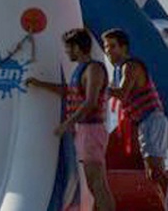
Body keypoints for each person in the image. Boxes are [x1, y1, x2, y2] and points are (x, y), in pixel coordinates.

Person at [26, 28, 116, 211]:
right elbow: (69, 92)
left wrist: (67, 123)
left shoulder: (94, 69)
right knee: (93, 183)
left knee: (97, 182)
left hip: (92, 129)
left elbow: (90, 102)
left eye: (68, 48)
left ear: (77, 47)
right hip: (85, 130)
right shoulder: (80, 70)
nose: (66, 52)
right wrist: (40, 84)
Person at [103, 27, 168, 199]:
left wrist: (97, 88)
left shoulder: (130, 66)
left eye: (112, 46)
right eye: (106, 47)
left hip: (151, 119)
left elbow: (122, 93)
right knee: (152, 173)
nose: (108, 51)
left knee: (156, 171)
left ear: (124, 48)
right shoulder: (117, 71)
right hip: (144, 122)